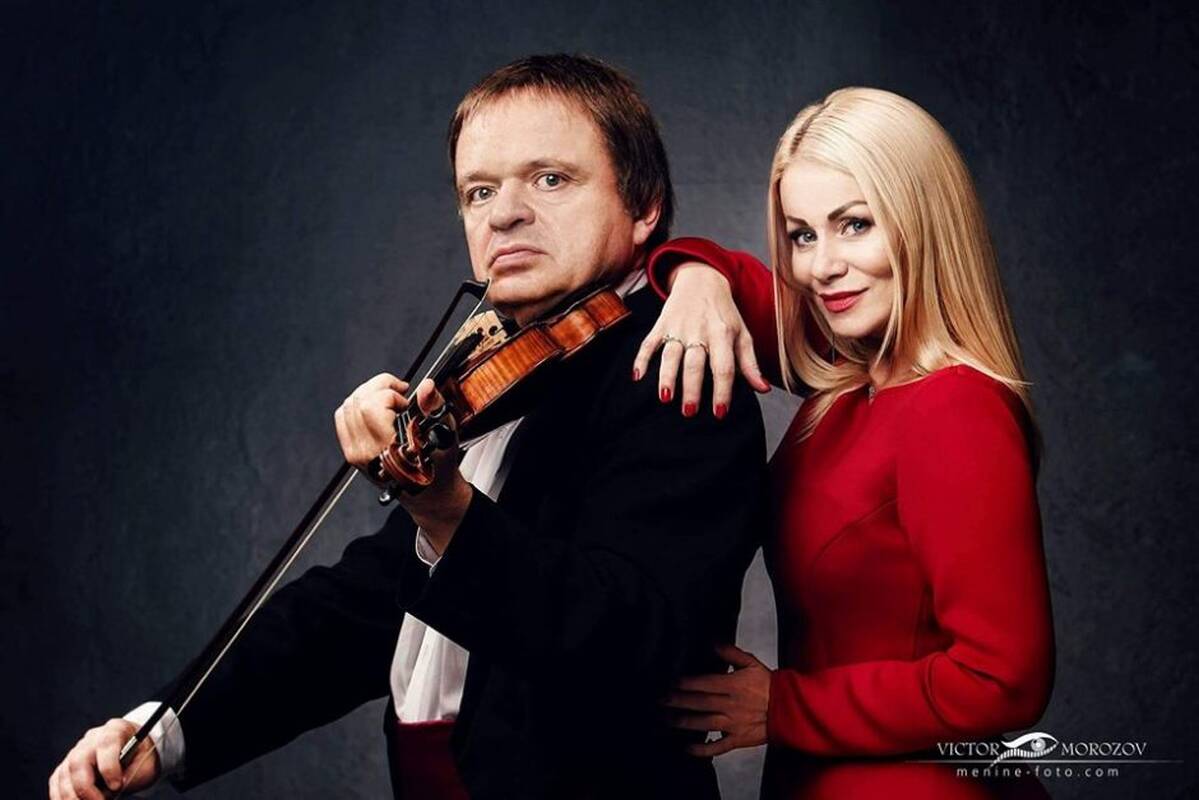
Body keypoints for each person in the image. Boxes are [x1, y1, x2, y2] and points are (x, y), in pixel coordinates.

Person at [49, 54, 766, 800]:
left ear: (643, 206)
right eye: (479, 191)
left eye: (550, 179)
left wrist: (445, 510)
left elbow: (633, 642)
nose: (504, 214)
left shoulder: (678, 365)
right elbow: (365, 607)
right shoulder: (508, 373)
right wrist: (166, 731)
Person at [632, 87, 1055, 792]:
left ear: (923, 222)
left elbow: (1002, 679)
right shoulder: (846, 381)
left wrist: (785, 706)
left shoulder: (954, 406)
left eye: (854, 225)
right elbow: (733, 279)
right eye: (801, 235)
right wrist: (698, 279)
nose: (820, 267)